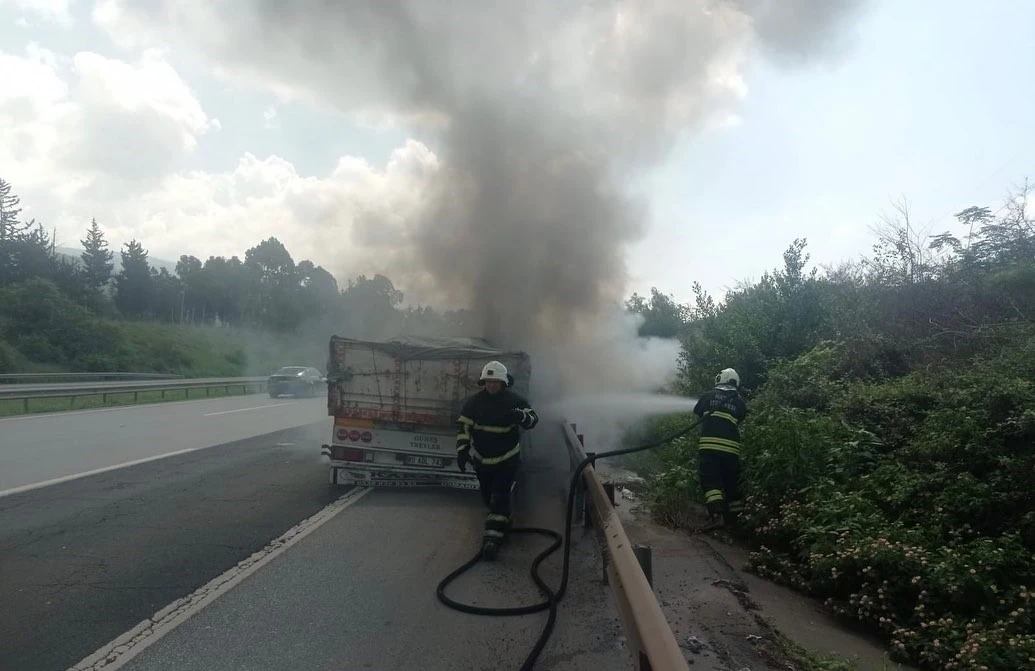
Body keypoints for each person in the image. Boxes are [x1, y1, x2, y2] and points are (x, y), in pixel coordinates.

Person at [455, 360, 539, 560]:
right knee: (487, 498)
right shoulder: (474, 403)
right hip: (482, 461)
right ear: (483, 382)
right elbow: (464, 427)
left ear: (503, 383)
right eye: (488, 382)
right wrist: (462, 450)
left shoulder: (515, 401)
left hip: (506, 460)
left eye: (495, 382)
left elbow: (533, 420)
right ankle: (504, 521)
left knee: (499, 498)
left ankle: (492, 540)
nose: (491, 385)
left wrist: (519, 415)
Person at [693, 367, 748, 530]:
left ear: (720, 379)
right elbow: (741, 416)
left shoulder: (708, 396)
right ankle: (736, 522)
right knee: (731, 484)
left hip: (709, 447)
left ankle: (717, 516)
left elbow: (697, 411)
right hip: (732, 450)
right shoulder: (739, 401)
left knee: (710, 481)